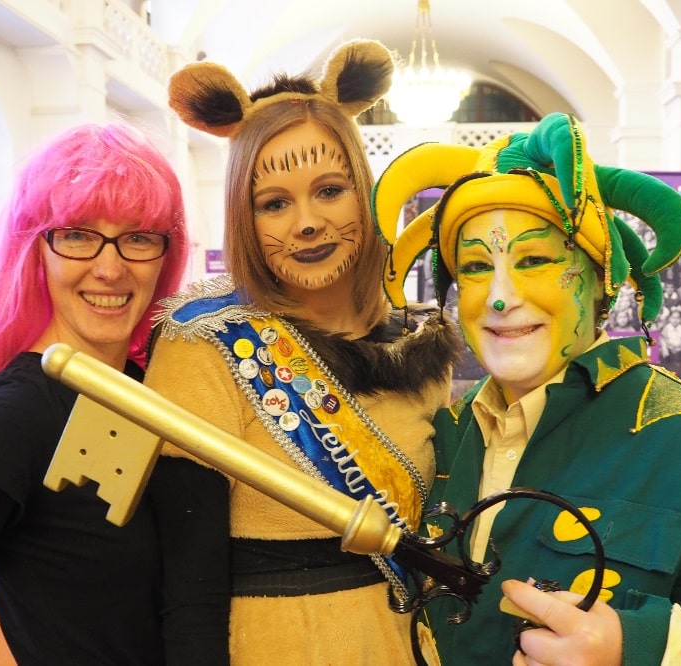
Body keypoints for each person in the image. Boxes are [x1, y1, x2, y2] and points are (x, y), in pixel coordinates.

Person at [372, 113, 681, 664]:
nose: (501, 296)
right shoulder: (444, 434)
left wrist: (636, 650)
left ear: (602, 280)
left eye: (535, 260)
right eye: (476, 267)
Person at [0, 123, 231, 665]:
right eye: (77, 235)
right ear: (35, 250)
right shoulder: (22, 410)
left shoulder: (143, 385)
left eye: (139, 237)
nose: (110, 267)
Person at [146, 40, 460, 664]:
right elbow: (188, 588)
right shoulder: (202, 342)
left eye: (330, 190)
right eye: (274, 203)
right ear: (245, 218)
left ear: (364, 191)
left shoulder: (419, 344)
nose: (307, 223)